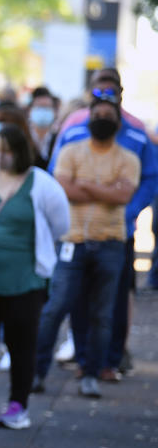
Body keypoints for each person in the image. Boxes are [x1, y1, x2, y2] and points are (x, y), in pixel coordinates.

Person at [47, 69, 158, 381]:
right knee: (76, 300)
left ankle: (109, 360)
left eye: (111, 93)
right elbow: (58, 177)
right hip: (76, 232)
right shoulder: (72, 128)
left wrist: (128, 210)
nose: (104, 99)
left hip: (118, 233)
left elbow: (149, 180)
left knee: (113, 302)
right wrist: (104, 195)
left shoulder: (137, 133)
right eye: (98, 93)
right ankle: (84, 358)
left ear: (121, 94)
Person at [0, 124, 69, 429]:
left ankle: (18, 404)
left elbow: (62, 224)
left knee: (22, 344)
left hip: (25, 280)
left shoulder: (41, 184)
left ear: (21, 151)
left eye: (7, 150)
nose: (1, 156)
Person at [33, 94, 140, 398]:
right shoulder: (69, 151)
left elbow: (123, 196)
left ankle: (91, 373)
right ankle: (36, 372)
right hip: (73, 242)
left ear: (117, 122)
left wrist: (86, 188)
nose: (102, 119)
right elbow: (63, 188)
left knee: (102, 314)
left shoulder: (128, 159)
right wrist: (105, 190)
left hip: (111, 243)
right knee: (56, 308)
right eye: (98, 114)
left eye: (108, 114)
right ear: (88, 118)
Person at [27, 87, 59, 170]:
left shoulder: (58, 138)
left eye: (47, 107)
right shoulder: (23, 136)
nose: (43, 111)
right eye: (39, 107)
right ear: (30, 110)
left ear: (54, 111)